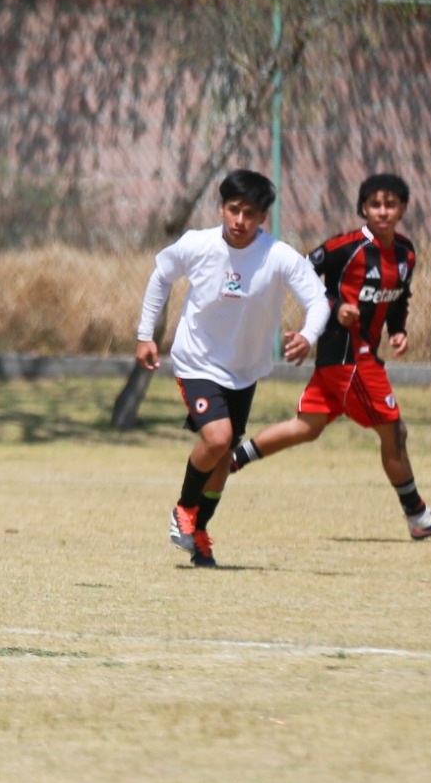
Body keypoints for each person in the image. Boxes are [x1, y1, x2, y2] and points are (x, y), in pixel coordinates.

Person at [227, 173, 431, 539]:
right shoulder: (347, 246)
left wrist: (398, 329)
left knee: (306, 428)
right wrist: (336, 305)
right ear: (363, 209)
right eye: (375, 204)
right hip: (349, 356)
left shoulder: (406, 252)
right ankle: (418, 516)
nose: (382, 211)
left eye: (390, 204)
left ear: (403, 208)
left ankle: (231, 460)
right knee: (394, 431)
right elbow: (300, 271)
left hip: (350, 359)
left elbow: (399, 297)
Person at [134, 169, 330, 567]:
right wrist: (144, 335)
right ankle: (185, 509)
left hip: (245, 369)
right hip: (197, 361)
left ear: (263, 218)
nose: (240, 221)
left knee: (222, 459)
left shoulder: (278, 255)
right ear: (221, 208)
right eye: (233, 210)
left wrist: (309, 336)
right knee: (220, 438)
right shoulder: (197, 245)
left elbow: (319, 301)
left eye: (251, 214)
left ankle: (199, 532)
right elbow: (160, 278)